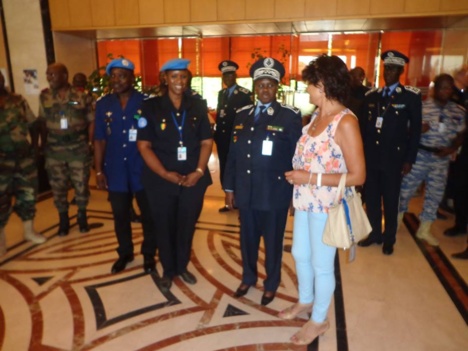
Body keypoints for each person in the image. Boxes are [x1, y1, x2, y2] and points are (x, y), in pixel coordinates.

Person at [282, 55, 365, 345]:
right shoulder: (318, 116)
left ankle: (319, 320)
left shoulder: (345, 122)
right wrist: (299, 183)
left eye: (310, 85)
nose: (306, 91)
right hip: (305, 201)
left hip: (327, 207)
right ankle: (305, 300)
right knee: (299, 255)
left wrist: (310, 178)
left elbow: (358, 175)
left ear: (323, 85)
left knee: (321, 265)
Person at [223, 57, 302, 306]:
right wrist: (229, 188)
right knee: (247, 239)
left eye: (270, 84)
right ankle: (248, 277)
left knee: (273, 242)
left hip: (274, 193)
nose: (265, 89)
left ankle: (271, 283)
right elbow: (232, 154)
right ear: (255, 86)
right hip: (246, 192)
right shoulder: (242, 115)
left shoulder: (289, 116)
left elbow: (298, 159)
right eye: (261, 85)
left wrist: (295, 194)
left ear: (277, 87)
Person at [137, 58, 213, 289]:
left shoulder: (197, 106)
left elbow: (207, 141)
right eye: (174, 76)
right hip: (160, 181)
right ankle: (168, 270)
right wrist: (164, 173)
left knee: (186, 225)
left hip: (193, 179)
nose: (179, 81)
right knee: (163, 225)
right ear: (165, 79)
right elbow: (143, 146)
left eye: (183, 76)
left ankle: (182, 266)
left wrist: (199, 171)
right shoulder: (150, 108)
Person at [94, 58, 157, 274]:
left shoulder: (147, 102)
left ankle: (149, 254)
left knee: (149, 214)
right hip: (116, 170)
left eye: (122, 75)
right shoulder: (103, 104)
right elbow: (99, 139)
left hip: (142, 168)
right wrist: (99, 170)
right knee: (120, 214)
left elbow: (155, 138)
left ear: (132, 78)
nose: (117, 80)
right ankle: (125, 253)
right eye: (113, 76)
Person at [358, 50, 422, 255]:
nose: (389, 72)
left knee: (391, 199)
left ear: (401, 71)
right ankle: (375, 233)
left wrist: (409, 159)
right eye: (387, 68)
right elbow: (364, 130)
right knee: (372, 197)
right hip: (372, 158)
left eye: (394, 69)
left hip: (394, 159)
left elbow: (416, 131)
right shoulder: (372, 96)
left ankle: (389, 237)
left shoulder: (410, 97)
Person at [397, 74, 465, 246]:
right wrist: (417, 130)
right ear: (435, 89)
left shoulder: (457, 110)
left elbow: (462, 133)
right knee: (405, 191)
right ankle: (394, 222)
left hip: (441, 160)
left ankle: (424, 229)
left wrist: (452, 148)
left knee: (434, 195)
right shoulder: (420, 107)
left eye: (449, 88)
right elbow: (404, 130)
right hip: (420, 156)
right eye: (442, 87)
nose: (446, 91)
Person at [38, 63, 94, 236]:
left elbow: (92, 121)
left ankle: (82, 217)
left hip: (78, 148)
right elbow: (42, 121)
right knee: (58, 186)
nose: (49, 78)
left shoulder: (81, 96)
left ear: (64, 75)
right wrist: (42, 144)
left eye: (52, 75)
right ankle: (63, 219)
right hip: (55, 148)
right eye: (48, 75)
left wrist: (90, 143)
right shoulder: (44, 96)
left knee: (81, 184)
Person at [0, 71, 46, 255]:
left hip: (23, 158)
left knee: (28, 195)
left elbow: (33, 125)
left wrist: (35, 148)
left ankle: (29, 232)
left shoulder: (18, 100)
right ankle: (1, 241)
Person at [214, 60, 253, 212]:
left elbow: (247, 118)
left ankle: (238, 199)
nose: (227, 78)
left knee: (238, 167)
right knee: (225, 167)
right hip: (223, 139)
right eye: (225, 76)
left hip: (237, 139)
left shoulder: (244, 94)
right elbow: (220, 116)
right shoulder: (221, 94)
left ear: (235, 76)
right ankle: (228, 198)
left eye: (230, 75)